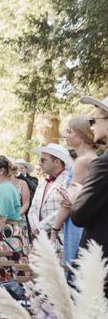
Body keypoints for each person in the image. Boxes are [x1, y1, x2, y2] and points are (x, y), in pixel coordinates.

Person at [49, 116, 97, 267]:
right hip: (82, 219)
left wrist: (55, 229)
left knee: (73, 271)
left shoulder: (83, 161)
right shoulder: (90, 158)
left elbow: (69, 202)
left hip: (76, 223)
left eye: (69, 131)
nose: (65, 135)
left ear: (82, 136)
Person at [70, 95, 108, 265]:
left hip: (100, 261)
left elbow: (80, 216)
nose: (91, 126)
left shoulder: (103, 164)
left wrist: (77, 196)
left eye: (94, 120)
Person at [0, 156, 28, 278]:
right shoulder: (1, 188)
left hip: (6, 238)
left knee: (8, 281)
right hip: (2, 238)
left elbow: (1, 218)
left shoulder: (4, 189)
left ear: (1, 170)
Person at [27, 143, 72, 245]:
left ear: (56, 162)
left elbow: (64, 208)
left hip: (60, 238)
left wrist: (40, 228)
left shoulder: (68, 181)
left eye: (43, 160)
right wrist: (35, 228)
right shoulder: (42, 183)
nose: (39, 163)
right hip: (40, 239)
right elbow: (32, 209)